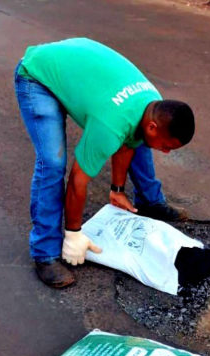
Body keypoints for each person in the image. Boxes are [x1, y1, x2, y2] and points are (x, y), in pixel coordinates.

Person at [14, 38, 195, 288]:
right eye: (168, 146)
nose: (165, 152)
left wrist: (117, 189)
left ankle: (150, 202)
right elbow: (78, 179)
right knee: (53, 164)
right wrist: (74, 234)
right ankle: (45, 254)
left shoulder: (153, 103)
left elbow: (129, 140)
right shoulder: (109, 126)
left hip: (77, 67)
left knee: (140, 139)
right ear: (155, 126)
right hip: (38, 76)